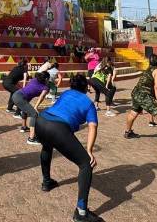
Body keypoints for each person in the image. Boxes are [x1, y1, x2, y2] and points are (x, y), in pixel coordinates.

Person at [35, 74, 102, 222]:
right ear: (86, 87)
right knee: (86, 164)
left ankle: (47, 182)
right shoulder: (89, 103)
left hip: (41, 120)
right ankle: (81, 212)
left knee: (47, 146)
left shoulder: (66, 93)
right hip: (57, 128)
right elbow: (92, 126)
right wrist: (89, 151)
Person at [123, 54, 157, 144]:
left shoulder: (147, 70)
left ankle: (127, 132)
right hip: (144, 95)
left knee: (133, 113)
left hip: (136, 93)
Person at [13, 71, 50, 145]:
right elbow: (41, 97)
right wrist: (36, 107)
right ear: (46, 79)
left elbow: (30, 89)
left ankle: (24, 127)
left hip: (16, 94)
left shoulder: (34, 79)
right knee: (34, 114)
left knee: (26, 110)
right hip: (20, 98)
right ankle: (31, 138)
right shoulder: (45, 87)